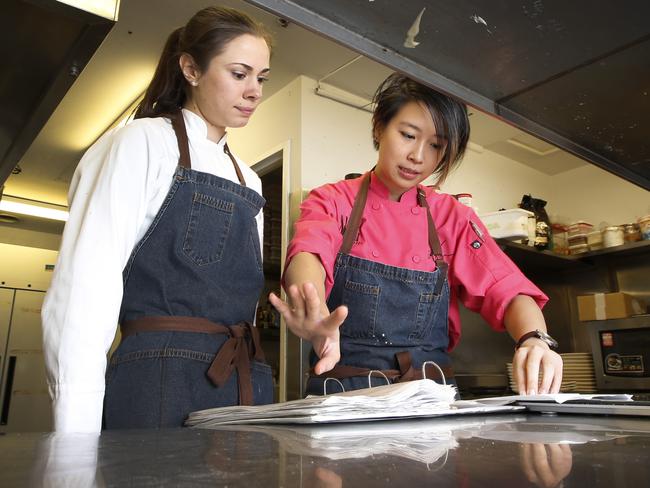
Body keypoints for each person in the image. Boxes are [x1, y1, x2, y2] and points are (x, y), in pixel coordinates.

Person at [42, 6, 275, 433]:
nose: (254, 90)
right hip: (159, 379)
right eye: (240, 73)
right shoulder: (142, 143)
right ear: (190, 68)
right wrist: (75, 440)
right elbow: (85, 290)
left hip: (245, 382)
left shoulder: (251, 180)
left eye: (261, 77)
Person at [270, 73, 563, 396]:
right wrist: (312, 308)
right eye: (408, 135)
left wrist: (535, 339)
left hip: (429, 399)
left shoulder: (451, 216)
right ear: (379, 127)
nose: (418, 156)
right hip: (345, 396)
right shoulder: (333, 199)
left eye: (436, 145)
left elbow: (506, 288)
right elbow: (309, 254)